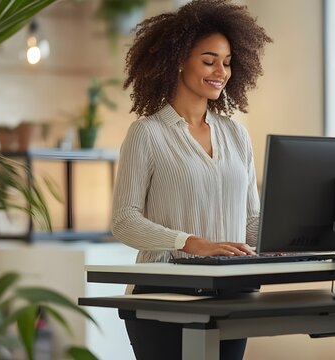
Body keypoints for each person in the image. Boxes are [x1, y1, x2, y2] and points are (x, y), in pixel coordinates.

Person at [111, 0, 272, 359]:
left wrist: (289, 238)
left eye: (227, 62)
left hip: (232, 293)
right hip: (162, 294)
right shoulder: (147, 133)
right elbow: (124, 221)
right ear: (180, 58)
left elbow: (249, 221)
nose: (221, 71)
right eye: (209, 60)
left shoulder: (236, 135)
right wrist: (189, 242)